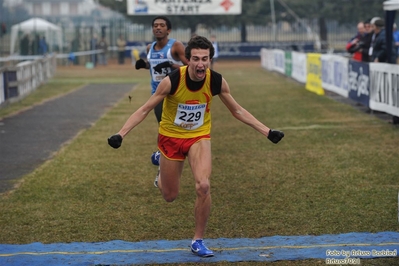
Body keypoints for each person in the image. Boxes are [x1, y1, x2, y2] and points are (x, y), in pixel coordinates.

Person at [107, 35, 284, 257]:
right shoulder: (171, 81)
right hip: (170, 138)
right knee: (170, 196)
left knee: (203, 186)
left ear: (210, 60)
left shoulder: (216, 81)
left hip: (199, 137)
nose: (201, 64)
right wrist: (120, 134)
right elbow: (143, 109)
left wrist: (267, 131)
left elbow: (237, 110)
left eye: (205, 59)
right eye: (196, 59)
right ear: (188, 60)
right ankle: (161, 168)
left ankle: (197, 240)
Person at [134, 16, 188, 183]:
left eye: (162, 25)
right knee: (165, 132)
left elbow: (192, 67)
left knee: (179, 133)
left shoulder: (176, 46)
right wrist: (144, 65)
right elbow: (154, 66)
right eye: (155, 25)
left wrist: (172, 66)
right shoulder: (150, 47)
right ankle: (162, 170)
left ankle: (168, 160)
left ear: (168, 30)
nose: (158, 28)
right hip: (157, 95)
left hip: (176, 96)